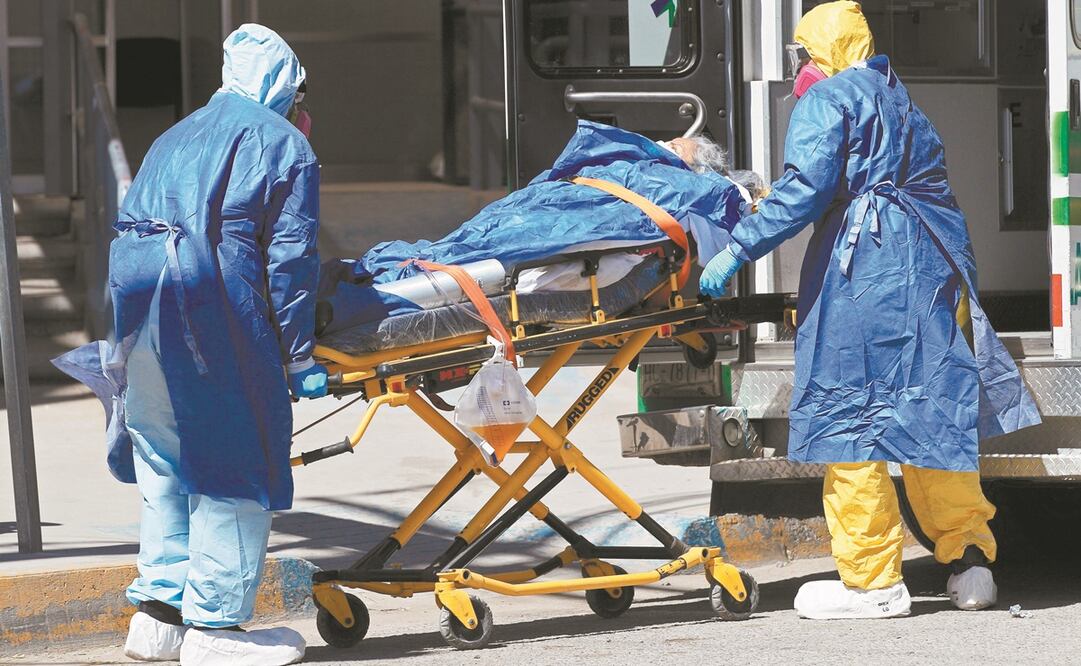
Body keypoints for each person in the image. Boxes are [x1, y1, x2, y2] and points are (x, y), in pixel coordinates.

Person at [698, 1, 1040, 619]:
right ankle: (970, 566)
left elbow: (805, 189)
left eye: (803, 56)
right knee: (931, 414)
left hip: (867, 276)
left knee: (851, 418)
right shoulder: (902, 99)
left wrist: (737, 250)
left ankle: (873, 582)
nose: (800, 68)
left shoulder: (825, 102)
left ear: (818, 53)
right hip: (933, 267)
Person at [56, 24, 323, 664]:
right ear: (284, 85)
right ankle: (216, 631)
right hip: (215, 311)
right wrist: (300, 355)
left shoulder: (173, 136)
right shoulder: (283, 143)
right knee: (235, 465)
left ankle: (157, 620)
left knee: (165, 461)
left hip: (142, 313)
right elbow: (291, 261)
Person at [319, 120, 759, 332]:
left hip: (561, 231)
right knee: (461, 249)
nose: (663, 145)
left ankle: (353, 297)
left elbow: (741, 202)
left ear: (698, 167)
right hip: (546, 214)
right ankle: (364, 282)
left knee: (464, 258)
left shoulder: (683, 187)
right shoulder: (634, 168)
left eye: (675, 147)